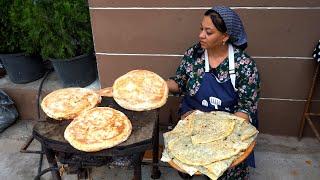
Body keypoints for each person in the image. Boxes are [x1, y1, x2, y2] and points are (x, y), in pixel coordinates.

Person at [166, 6, 260, 179]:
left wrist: (218, 136)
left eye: (208, 32)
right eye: (201, 29)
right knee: (186, 159)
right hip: (192, 122)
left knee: (225, 169)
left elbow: (246, 107)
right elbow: (180, 82)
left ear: (225, 37)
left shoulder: (244, 65)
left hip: (228, 130)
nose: (201, 35)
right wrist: (158, 86)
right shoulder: (194, 54)